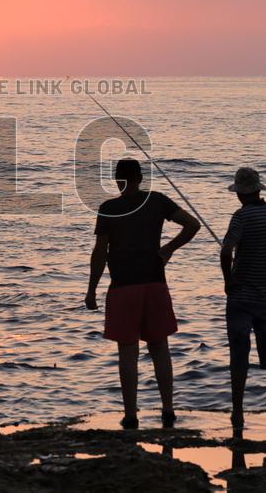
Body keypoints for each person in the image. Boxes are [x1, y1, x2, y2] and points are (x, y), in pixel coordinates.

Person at [86, 158, 200, 429]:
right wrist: (168, 249)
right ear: (140, 178)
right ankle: (168, 410)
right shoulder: (158, 200)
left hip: (123, 287)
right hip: (154, 284)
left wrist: (91, 289)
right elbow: (192, 225)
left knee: (127, 353)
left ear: (117, 180)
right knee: (160, 347)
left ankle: (130, 415)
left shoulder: (108, 208)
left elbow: (100, 252)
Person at [220, 167, 266, 441]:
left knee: (239, 355)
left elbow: (226, 251)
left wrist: (228, 280)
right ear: (259, 189)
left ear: (240, 193)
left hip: (242, 297)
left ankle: (237, 411)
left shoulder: (241, 216)